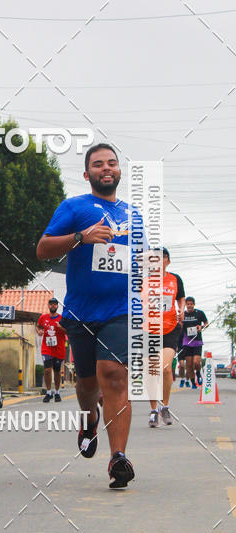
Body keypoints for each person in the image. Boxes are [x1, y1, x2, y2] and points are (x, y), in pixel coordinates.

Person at [36, 143, 141, 489]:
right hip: (81, 312)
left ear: (119, 171)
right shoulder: (74, 207)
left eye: (112, 163)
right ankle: (89, 420)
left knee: (113, 376)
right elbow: (43, 249)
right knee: (86, 385)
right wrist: (81, 237)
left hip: (121, 310)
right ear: (87, 174)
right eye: (98, 164)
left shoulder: (134, 215)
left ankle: (118, 459)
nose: (106, 168)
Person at [147, 248, 185, 427]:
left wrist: (181, 311)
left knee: (165, 368)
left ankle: (165, 407)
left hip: (170, 329)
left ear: (167, 261)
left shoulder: (175, 279)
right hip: (150, 329)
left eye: (161, 257)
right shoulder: (145, 280)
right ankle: (154, 410)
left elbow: (181, 297)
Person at [36, 298, 67, 402]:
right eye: (51, 304)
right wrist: (39, 331)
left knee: (57, 371)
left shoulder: (62, 319)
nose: (53, 306)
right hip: (47, 348)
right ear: (48, 306)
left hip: (59, 349)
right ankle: (49, 392)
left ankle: (57, 392)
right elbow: (39, 327)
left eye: (54, 304)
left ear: (57, 306)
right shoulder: (43, 317)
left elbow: (68, 331)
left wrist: (60, 327)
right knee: (47, 370)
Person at [180, 296, 208, 389]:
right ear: (186, 305)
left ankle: (199, 373)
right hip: (187, 342)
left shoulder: (199, 313)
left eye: (191, 304)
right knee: (189, 364)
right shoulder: (182, 314)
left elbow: (206, 323)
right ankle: (193, 383)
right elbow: (179, 327)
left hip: (197, 341)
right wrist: (179, 321)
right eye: (187, 304)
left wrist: (201, 327)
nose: (189, 306)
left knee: (196, 362)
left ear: (194, 304)